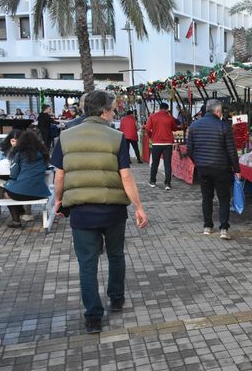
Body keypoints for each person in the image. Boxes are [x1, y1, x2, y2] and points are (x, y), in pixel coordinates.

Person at [51, 90, 148, 334]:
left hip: (81, 211)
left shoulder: (65, 137)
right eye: (113, 109)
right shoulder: (117, 138)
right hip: (112, 210)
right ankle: (116, 299)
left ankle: (93, 317)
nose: (114, 113)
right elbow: (125, 176)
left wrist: (59, 200)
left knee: (87, 263)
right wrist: (138, 206)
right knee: (115, 255)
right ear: (104, 111)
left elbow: (59, 175)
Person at [186, 99, 241, 240]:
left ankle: (207, 226)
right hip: (221, 168)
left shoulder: (194, 126)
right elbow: (231, 151)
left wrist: (198, 162)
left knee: (206, 197)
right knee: (223, 198)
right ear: (217, 111)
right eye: (221, 111)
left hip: (203, 168)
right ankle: (223, 228)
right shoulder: (224, 126)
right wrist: (237, 169)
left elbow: (189, 150)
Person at [3, 131, 51, 228]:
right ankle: (22, 211)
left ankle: (16, 221)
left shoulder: (19, 154)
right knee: (14, 190)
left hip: (20, 193)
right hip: (40, 193)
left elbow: (13, 174)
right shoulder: (43, 154)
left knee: (6, 192)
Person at [0, 130, 24, 223]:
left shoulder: (25, 149)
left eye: (18, 141)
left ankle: (24, 211)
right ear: (9, 140)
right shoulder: (3, 149)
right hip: (3, 175)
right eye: (13, 140)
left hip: (19, 177)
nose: (15, 143)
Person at [145, 103, 178, 190]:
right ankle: (167, 184)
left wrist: (151, 136)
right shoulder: (170, 117)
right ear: (167, 109)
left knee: (155, 163)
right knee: (167, 164)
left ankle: (152, 181)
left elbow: (147, 129)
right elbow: (175, 128)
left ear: (160, 108)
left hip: (156, 143)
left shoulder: (152, 116)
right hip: (168, 144)